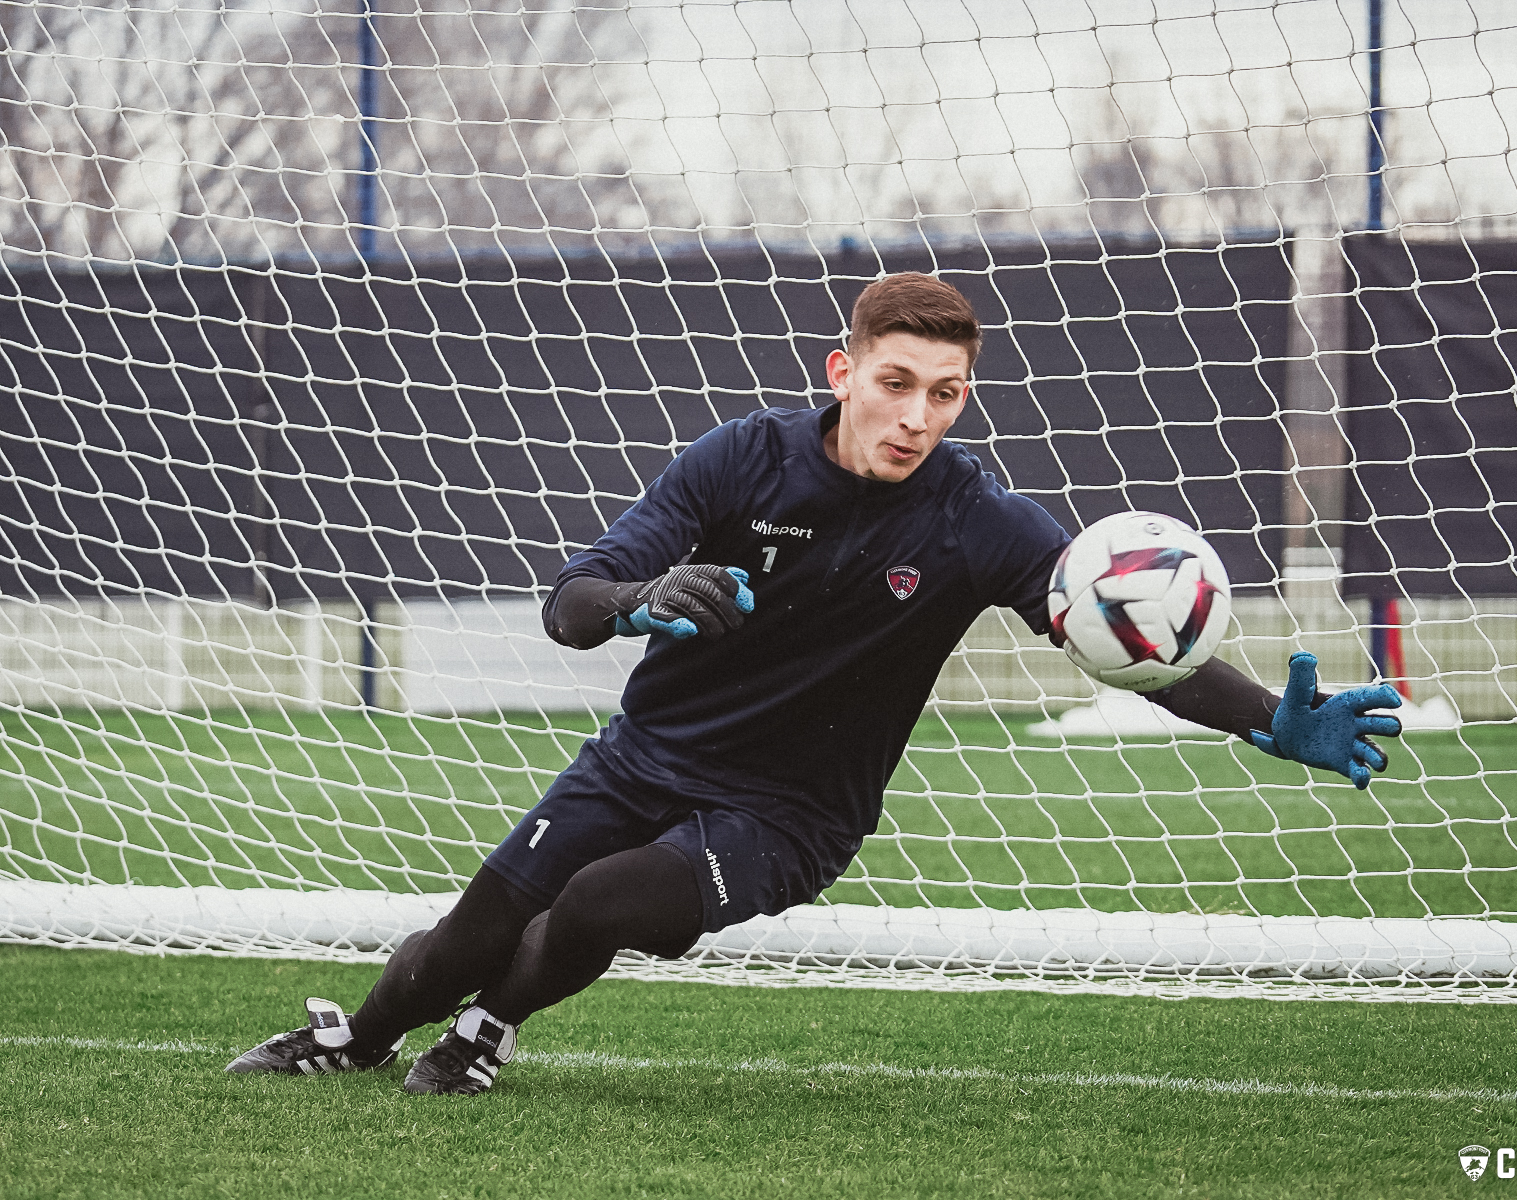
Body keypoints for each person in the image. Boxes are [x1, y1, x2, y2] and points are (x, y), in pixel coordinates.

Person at [227, 272, 1402, 1094]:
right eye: (896, 382)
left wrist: (1263, 722)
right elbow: (572, 603)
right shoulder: (742, 460)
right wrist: (643, 599)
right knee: (469, 931)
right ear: (845, 370)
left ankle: (492, 1028)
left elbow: (1110, 635)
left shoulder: (978, 522)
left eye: (944, 394)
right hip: (642, 759)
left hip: (790, 813)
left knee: (593, 906)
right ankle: (361, 1038)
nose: (916, 415)